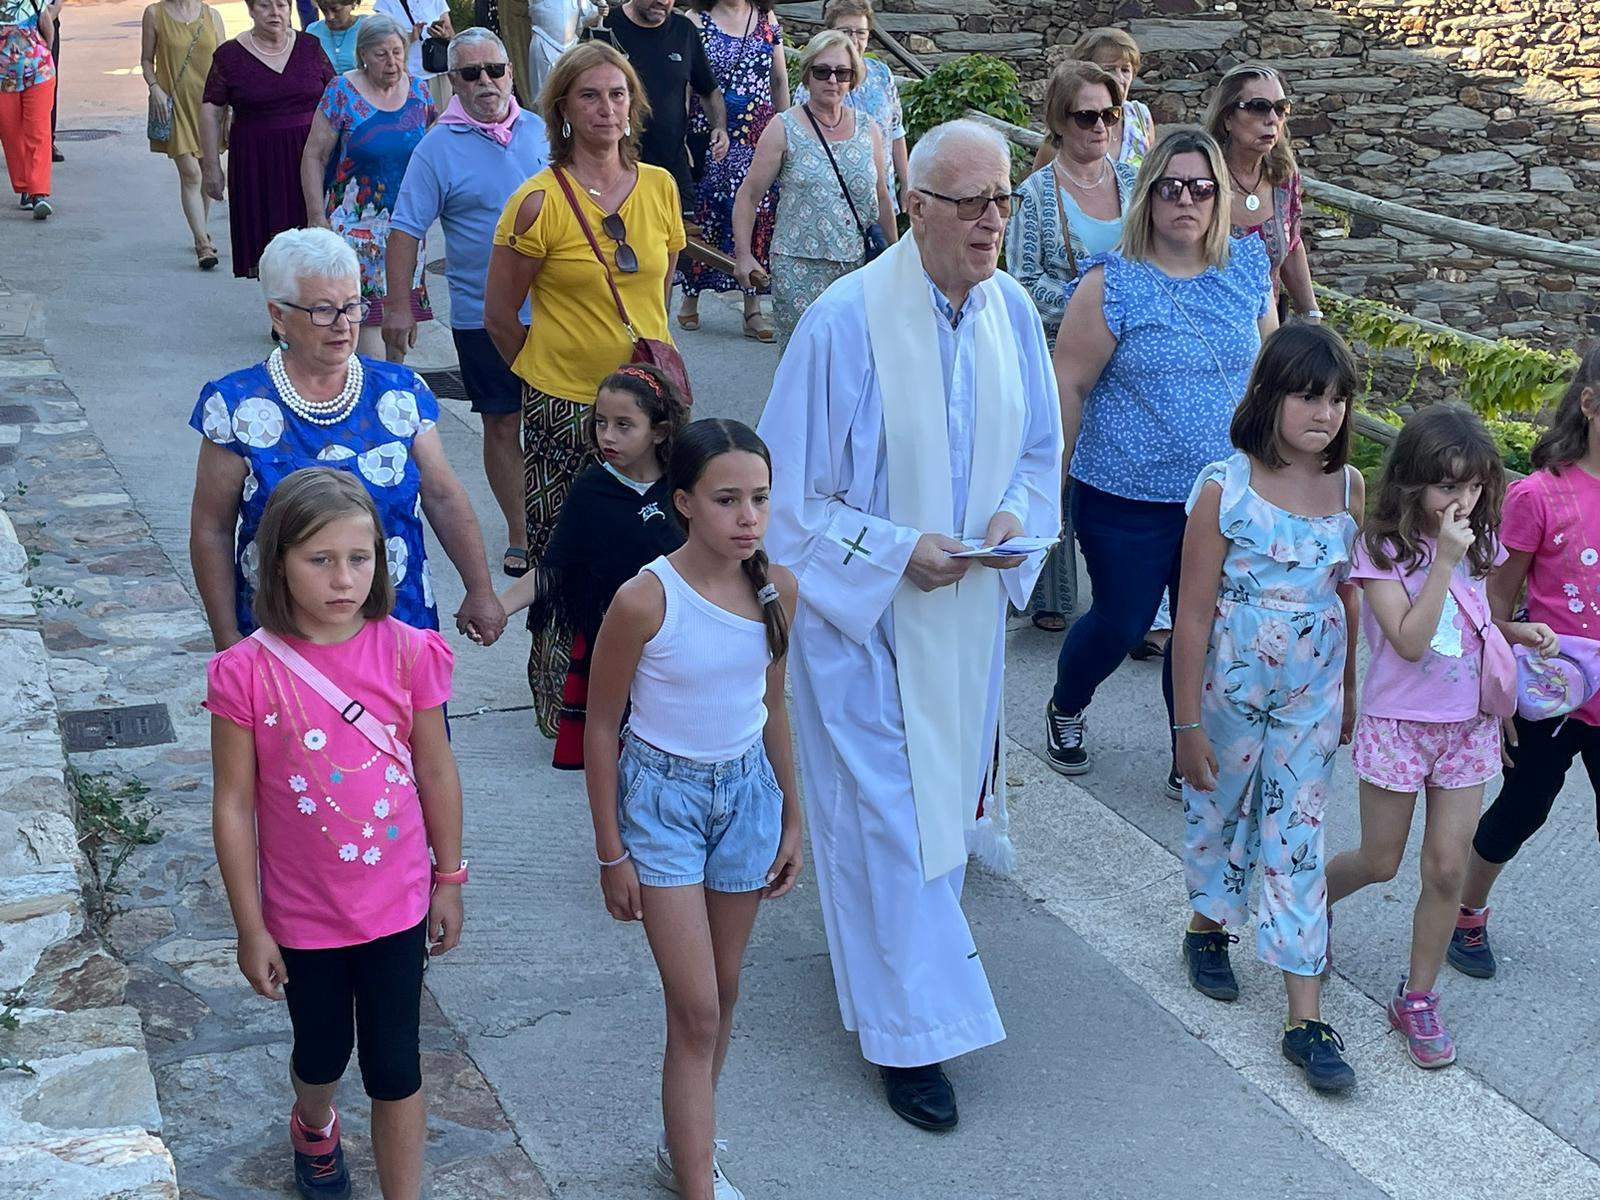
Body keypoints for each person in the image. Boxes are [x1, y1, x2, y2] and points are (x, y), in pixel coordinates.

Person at [757, 119, 1062, 1130]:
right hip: (864, 629)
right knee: (885, 823)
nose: (991, 221)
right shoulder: (843, 323)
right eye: (970, 203)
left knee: (935, 817)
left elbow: (1038, 453)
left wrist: (1013, 518)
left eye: (1003, 200)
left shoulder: (1010, 313)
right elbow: (787, 503)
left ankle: (895, 974)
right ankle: (911, 1038)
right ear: (915, 208)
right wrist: (896, 553)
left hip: (962, 623)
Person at [206, 467, 465, 1200]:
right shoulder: (244, 672)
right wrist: (250, 926)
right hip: (303, 913)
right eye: (320, 559)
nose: (344, 578)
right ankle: (314, 1122)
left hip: (397, 903)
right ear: (276, 562)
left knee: (396, 1065)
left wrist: (450, 878)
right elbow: (233, 804)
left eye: (360, 557)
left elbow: (436, 770)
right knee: (321, 1054)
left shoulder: (409, 652)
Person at [584, 418, 802, 1200]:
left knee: (724, 991)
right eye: (727, 499)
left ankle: (684, 1148)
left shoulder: (777, 590)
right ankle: (697, 1182)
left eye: (761, 499)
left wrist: (793, 817)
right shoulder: (645, 600)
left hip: (746, 799)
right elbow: (601, 725)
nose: (748, 517)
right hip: (662, 805)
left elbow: (771, 705)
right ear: (683, 501)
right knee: (698, 1009)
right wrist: (611, 851)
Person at [1043, 127, 1275, 799]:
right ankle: (1066, 702)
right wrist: (1048, 484)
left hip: (1221, 498)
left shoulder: (1246, 270)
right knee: (1122, 620)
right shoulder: (1110, 281)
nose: (1186, 201)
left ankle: (1186, 745)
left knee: (1205, 626)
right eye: (1171, 187)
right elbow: (1070, 385)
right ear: (1148, 194)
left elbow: (1273, 377)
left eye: (1202, 188)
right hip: (1125, 493)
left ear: (1220, 196)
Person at [1327, 404, 1556, 1069]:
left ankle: (1419, 997)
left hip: (1468, 728)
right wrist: (1444, 562)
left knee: (1448, 868)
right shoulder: (1381, 550)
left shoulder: (1478, 546)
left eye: (1475, 485)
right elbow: (1409, 639)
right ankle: (1309, 903)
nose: (1462, 500)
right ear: (1411, 481)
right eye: (1447, 484)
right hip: (1399, 726)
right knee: (1380, 860)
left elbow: (1466, 624)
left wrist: (1515, 633)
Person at [1171, 323, 1362, 1094]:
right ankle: (1207, 924)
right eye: (1309, 396)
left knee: (1297, 833)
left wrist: (1351, 691)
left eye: (1338, 399)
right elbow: (1191, 615)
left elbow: (1349, 597)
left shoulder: (1348, 489)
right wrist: (1186, 726)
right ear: (1269, 396)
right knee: (1221, 810)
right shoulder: (1227, 488)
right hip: (1233, 685)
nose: (1325, 413)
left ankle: (1304, 1017)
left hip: (1312, 695)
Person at [484, 40, 685, 736]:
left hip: (652, 407)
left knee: (654, 552)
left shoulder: (659, 187)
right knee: (562, 557)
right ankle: (559, 703)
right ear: (563, 110)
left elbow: (659, 292)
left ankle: (646, 701)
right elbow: (499, 317)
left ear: (634, 106)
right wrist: (552, 377)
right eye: (590, 96)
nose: (607, 108)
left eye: (618, 94)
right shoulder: (537, 201)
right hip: (567, 409)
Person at [190, 227, 507, 651]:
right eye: (323, 310)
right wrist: (226, 636)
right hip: (282, 636)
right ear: (278, 315)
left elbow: (443, 496)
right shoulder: (235, 406)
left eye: (353, 306)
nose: (343, 325)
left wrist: (480, 589)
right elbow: (212, 528)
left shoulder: (400, 393)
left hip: (396, 626)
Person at [1452, 344, 1600, 979]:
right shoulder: (1539, 495)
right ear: (1589, 403)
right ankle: (1465, 913)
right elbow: (1491, 609)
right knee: (1523, 808)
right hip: (1550, 696)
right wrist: (1500, 692)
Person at [386, 27, 551, 578]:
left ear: (511, 72)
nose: (486, 82)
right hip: (484, 314)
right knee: (502, 421)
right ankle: (522, 533)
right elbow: (406, 228)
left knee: (565, 421)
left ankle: (565, 523)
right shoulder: (436, 146)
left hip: (559, 308)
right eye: (470, 73)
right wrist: (399, 304)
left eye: (495, 70)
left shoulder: (544, 130)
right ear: (453, 82)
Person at [1006, 58, 1139, 633]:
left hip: (1131, 357)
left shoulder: (1136, 184)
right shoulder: (1035, 195)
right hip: (1059, 354)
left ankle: (1133, 597)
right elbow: (1021, 280)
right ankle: (1051, 593)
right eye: (1087, 116)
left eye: (1110, 114)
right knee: (1055, 465)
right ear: (1060, 121)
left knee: (1128, 474)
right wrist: (1089, 303)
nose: (1100, 126)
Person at [500, 363, 686, 765]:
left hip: (678, 639)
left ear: (659, 432)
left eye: (624, 425)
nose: (607, 436)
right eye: (601, 422)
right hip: (613, 640)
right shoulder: (591, 489)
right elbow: (556, 566)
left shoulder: (683, 486)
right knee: (619, 753)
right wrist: (497, 609)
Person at [733, 29, 895, 348]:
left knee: (853, 359)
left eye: (842, 72)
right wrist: (743, 255)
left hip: (857, 268)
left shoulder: (869, 130)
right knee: (803, 360)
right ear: (807, 75)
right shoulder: (784, 127)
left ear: (853, 78)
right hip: (798, 268)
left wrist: (897, 254)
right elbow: (749, 196)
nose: (832, 80)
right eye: (822, 71)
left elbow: (881, 197)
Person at [301, 14, 436, 359]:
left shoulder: (420, 92)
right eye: (381, 54)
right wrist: (316, 216)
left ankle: (392, 395)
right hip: (353, 231)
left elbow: (435, 151)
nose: (392, 62)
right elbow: (314, 156)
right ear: (363, 55)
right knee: (369, 351)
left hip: (405, 231)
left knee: (399, 343)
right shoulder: (341, 91)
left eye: (397, 52)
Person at [674, 0, 786, 342]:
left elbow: (779, 80)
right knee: (707, 214)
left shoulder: (766, 16)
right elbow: (686, 85)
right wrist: (680, 138)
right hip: (711, 135)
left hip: (759, 137)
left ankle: (752, 307)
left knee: (757, 213)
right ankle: (691, 294)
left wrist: (789, 132)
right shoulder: (696, 20)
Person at [201, 0, 336, 280]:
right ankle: (280, 305)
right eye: (265, 5)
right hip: (257, 162)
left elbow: (336, 96)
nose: (275, 12)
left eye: (281, 5)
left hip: (311, 157)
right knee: (271, 249)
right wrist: (211, 166)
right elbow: (211, 110)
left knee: (316, 244)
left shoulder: (310, 46)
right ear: (251, 10)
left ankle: (311, 302)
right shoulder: (229, 55)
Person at [587, 0, 727, 212]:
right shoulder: (604, 27)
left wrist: (719, 126)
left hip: (672, 168)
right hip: (616, 169)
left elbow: (708, 88)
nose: (663, 2)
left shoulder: (684, 30)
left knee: (684, 231)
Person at [1204, 63, 1318, 322]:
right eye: (1259, 107)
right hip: (1206, 327)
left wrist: (1311, 314)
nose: (1272, 119)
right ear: (1227, 118)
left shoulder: (1284, 177)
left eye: (1281, 108)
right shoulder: (1201, 177)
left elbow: (1291, 245)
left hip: (1267, 329)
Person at [791, 0, 905, 211]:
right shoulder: (814, 84)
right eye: (845, 32)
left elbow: (896, 132)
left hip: (881, 198)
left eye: (861, 33)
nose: (853, 40)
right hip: (831, 204)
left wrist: (906, 184)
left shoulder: (882, 75)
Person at [142, 0, 226, 264]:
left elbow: (225, 64)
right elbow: (146, 60)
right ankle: (202, 244)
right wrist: (154, 87)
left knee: (206, 168)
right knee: (191, 174)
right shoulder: (154, 14)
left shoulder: (212, 15)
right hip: (174, 104)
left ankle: (201, 228)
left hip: (209, 107)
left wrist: (232, 102)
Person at [0, 0, 56, 219]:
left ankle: (39, 193)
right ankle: (25, 187)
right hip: (3, 80)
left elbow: (47, 24)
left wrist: (44, 54)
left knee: (38, 131)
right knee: (11, 133)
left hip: (39, 73)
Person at [372, 0, 452, 109]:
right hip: (406, 74)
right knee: (410, 116)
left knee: (441, 115)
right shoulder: (385, 3)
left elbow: (450, 32)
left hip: (437, 70)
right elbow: (383, 41)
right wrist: (410, 37)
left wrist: (444, 34)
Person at [529, 0, 608, 103]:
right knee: (542, 93)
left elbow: (586, 16)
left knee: (569, 89)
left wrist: (599, 12)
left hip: (570, 47)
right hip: (544, 43)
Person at [306, 0, 368, 74]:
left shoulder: (367, 27)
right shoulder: (313, 31)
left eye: (336, 10)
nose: (330, 17)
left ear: (353, 3)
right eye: (324, 10)